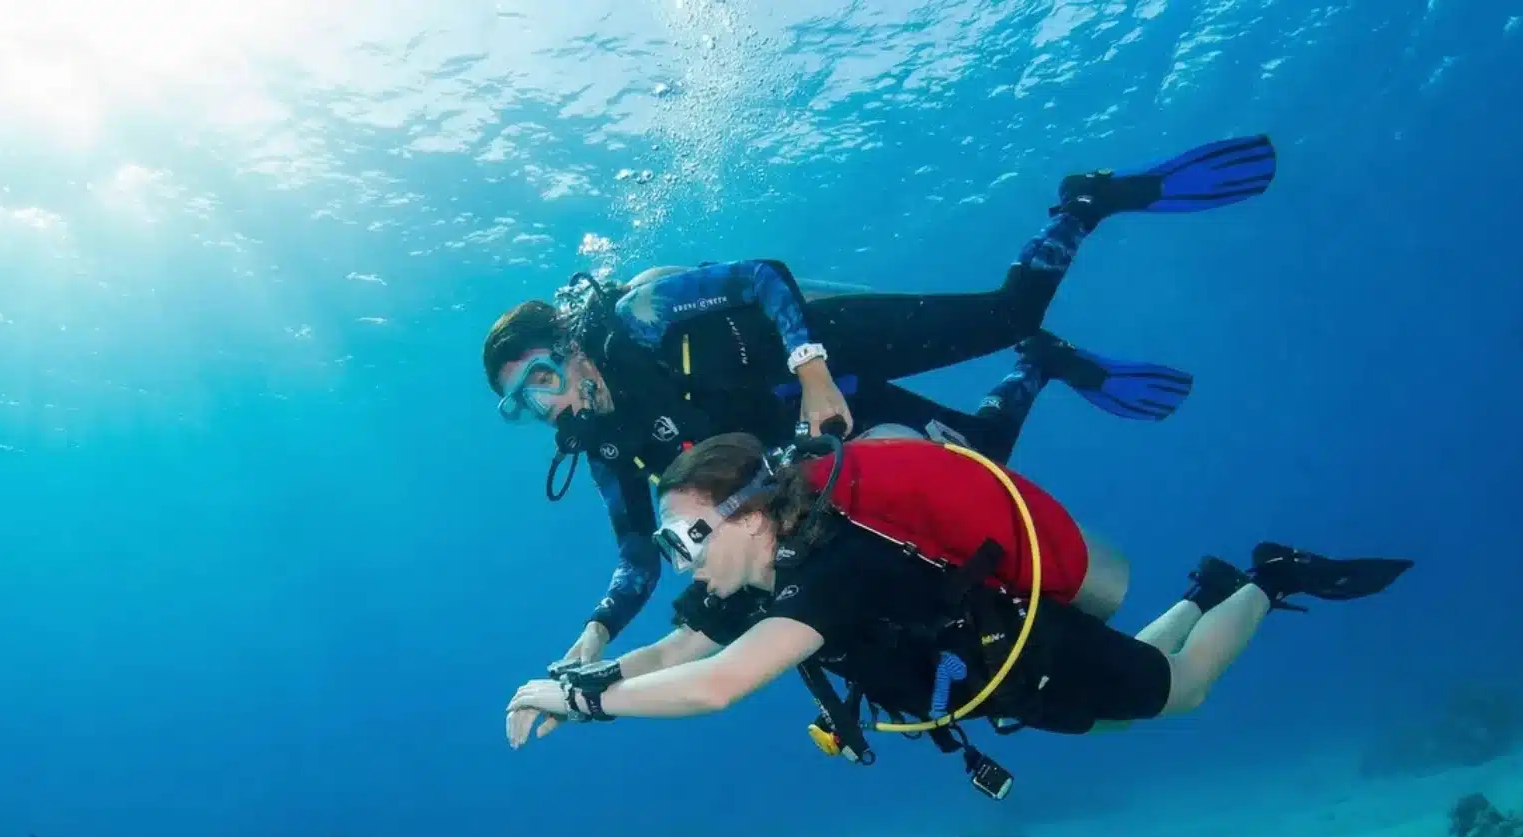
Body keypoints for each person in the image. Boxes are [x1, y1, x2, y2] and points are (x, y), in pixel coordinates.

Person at [483, 135, 1278, 671]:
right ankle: (1041, 371)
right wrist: (594, 637)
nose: (545, 406)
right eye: (523, 404)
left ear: (570, 345)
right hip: (826, 430)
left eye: (542, 379)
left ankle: (1082, 204)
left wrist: (814, 368)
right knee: (983, 461)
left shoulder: (642, 314)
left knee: (1008, 314)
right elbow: (635, 557)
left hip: (828, 350)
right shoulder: (607, 446)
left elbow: (762, 274)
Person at [502, 428, 1411, 797]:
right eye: (671, 547)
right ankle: (1206, 591)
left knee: (1183, 689)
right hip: (989, 672)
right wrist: (577, 676)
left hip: (1023, 647)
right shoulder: (745, 575)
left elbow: (717, 688)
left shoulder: (835, 569)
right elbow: (675, 651)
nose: (683, 562)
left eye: (688, 536)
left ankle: (1269, 577)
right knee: (1111, 714)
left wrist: (578, 705)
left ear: (746, 510)